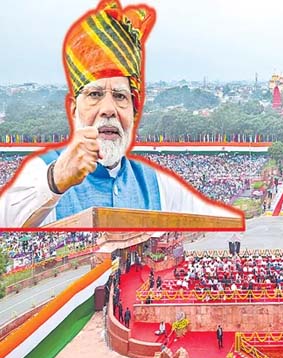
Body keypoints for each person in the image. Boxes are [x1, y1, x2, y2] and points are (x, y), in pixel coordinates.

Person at [0, 0, 244, 228]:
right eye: (95, 95)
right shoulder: (40, 172)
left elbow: (222, 224)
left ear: (134, 113)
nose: (108, 109)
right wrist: (55, 181)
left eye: (120, 97)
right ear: (74, 109)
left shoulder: (157, 185)